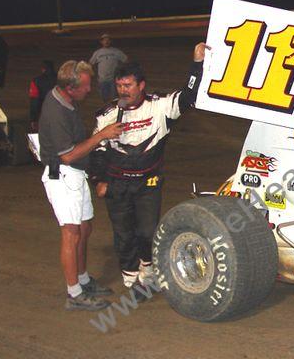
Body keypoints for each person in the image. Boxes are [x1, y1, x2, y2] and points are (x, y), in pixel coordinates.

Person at [90, 43, 209, 298]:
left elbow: (189, 97)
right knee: (124, 234)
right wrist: (99, 180)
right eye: (120, 86)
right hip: (117, 184)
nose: (123, 91)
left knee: (146, 231)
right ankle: (131, 279)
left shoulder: (160, 106)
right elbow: (97, 151)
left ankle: (148, 270)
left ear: (141, 85)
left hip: (148, 182)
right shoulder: (107, 114)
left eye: (128, 86)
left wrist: (197, 64)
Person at [39, 61, 124, 311]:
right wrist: (101, 136)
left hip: (75, 175)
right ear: (69, 88)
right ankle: (74, 293)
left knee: (85, 228)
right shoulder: (57, 111)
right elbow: (67, 155)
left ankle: (83, 279)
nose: (90, 90)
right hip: (63, 175)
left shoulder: (64, 100)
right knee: (71, 233)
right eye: (86, 86)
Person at [89, 33, 127, 102]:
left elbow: (125, 60)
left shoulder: (116, 51)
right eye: (104, 40)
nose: (106, 42)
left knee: (114, 98)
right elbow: (90, 64)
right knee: (104, 99)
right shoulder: (97, 53)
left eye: (108, 40)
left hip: (113, 79)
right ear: (101, 42)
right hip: (102, 80)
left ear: (110, 41)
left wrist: (122, 72)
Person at [29, 60, 56, 132]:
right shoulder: (61, 80)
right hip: (61, 113)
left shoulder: (36, 81)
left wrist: (33, 119)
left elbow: (34, 101)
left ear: (43, 69)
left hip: (44, 114)